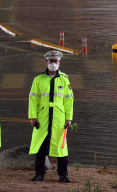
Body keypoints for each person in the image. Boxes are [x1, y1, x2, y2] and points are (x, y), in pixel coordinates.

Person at [28, 51, 74, 182]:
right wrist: (33, 116)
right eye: (51, 61)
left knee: (61, 148)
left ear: (59, 63)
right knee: (40, 147)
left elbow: (69, 100)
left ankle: (63, 175)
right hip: (42, 118)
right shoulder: (38, 79)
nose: (53, 64)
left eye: (56, 61)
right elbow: (33, 99)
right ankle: (39, 174)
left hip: (59, 119)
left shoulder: (65, 79)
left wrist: (69, 118)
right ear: (46, 62)